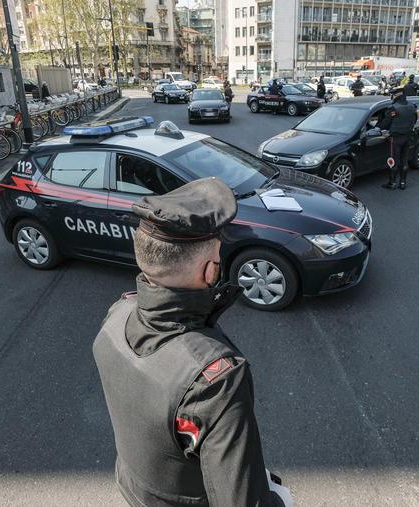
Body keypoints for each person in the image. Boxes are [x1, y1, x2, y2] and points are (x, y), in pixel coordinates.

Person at [93, 178, 292, 507]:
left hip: (133, 488)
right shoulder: (215, 379)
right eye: (217, 258)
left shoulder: (117, 314)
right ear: (208, 272)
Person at [378, 86, 418, 190]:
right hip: (407, 137)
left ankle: (392, 183)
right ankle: (403, 183)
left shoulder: (393, 108)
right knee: (404, 160)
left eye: (393, 94)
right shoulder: (412, 106)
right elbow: (414, 120)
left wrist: (379, 124)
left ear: (397, 95)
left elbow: (385, 125)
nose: (392, 96)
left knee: (393, 160)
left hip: (395, 139)